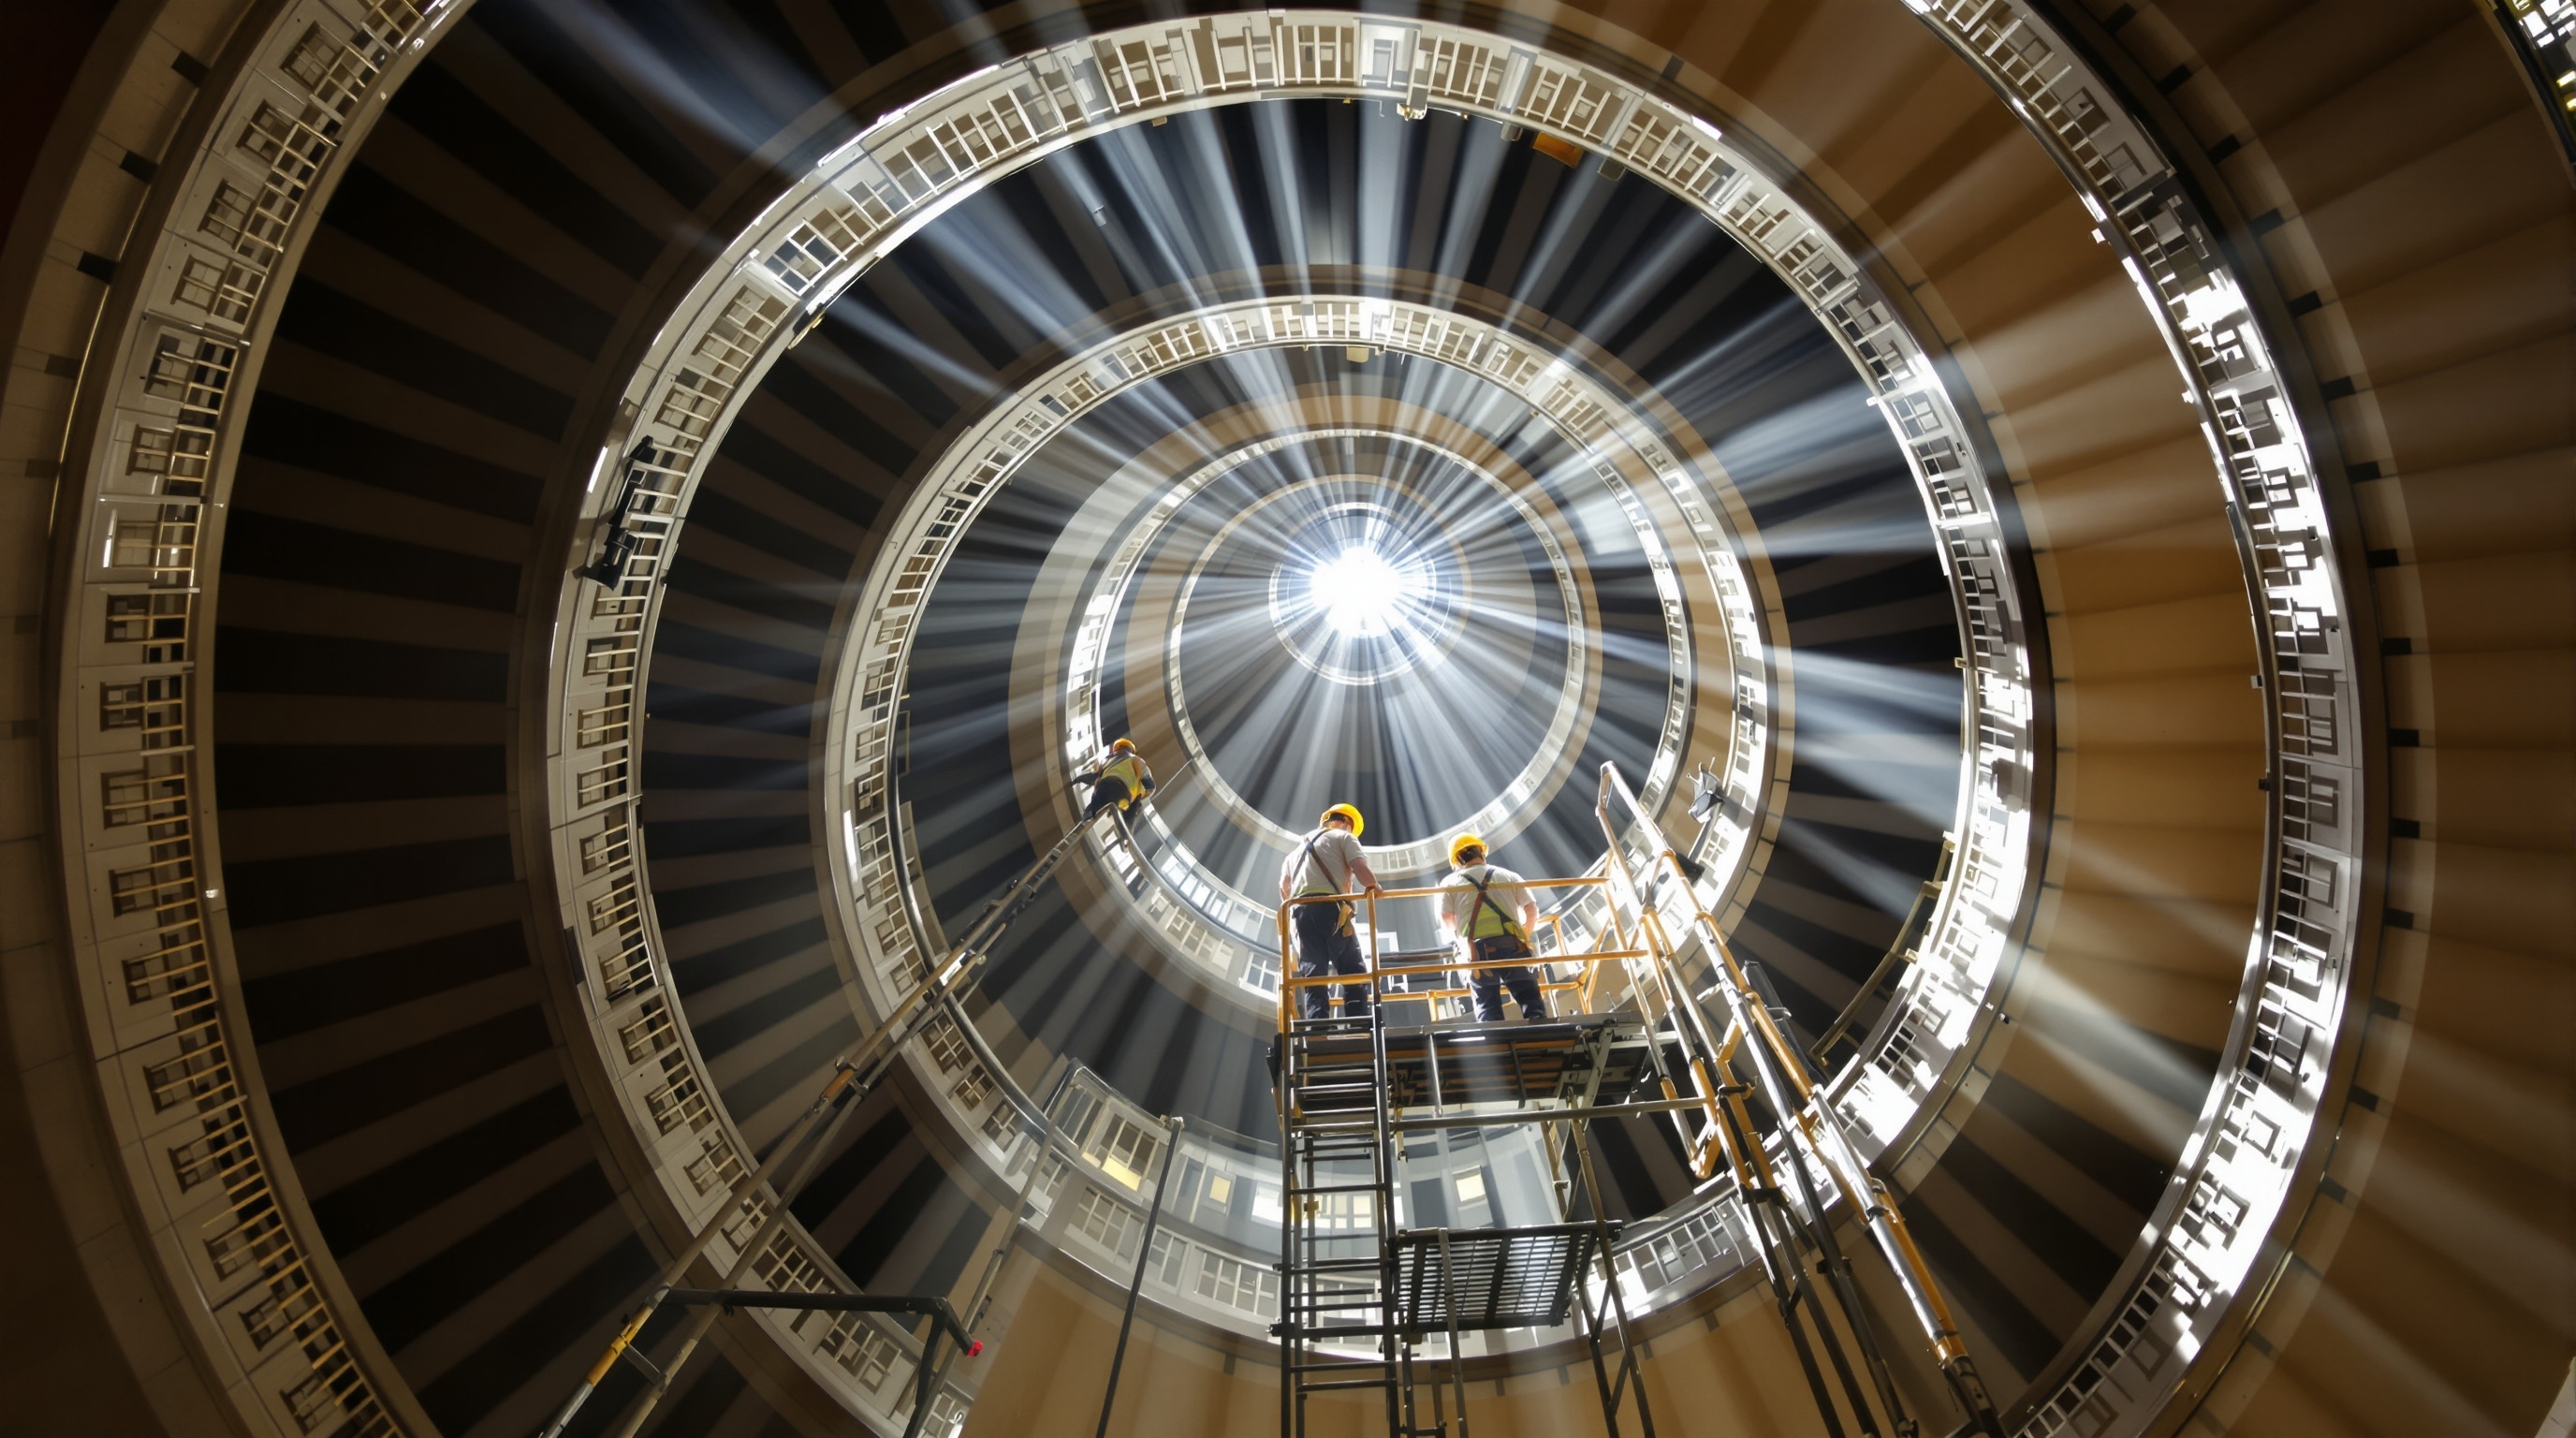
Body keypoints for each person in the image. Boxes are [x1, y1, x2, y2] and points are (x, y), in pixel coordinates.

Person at [1277, 802, 1381, 1022]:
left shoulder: (1295, 852)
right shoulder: (1344, 837)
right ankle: (1357, 1023)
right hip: (1333, 909)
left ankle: (1318, 1028)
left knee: (1313, 974)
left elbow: (1284, 887)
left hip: (1301, 913)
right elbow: (1359, 867)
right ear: (1347, 823)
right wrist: (1375, 887)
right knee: (1352, 968)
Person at [1438, 833, 1546, 1022]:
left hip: (1477, 952)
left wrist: (1461, 939)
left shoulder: (1449, 883)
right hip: (1513, 945)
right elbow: (1531, 909)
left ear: (1457, 860)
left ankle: (1495, 1037)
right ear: (1481, 852)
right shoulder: (1508, 875)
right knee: (1529, 997)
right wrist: (1524, 935)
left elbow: (1446, 917)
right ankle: (1539, 1029)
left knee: (1487, 1007)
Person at [1080, 738, 1154, 823]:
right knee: (1124, 816)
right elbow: (1150, 786)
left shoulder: (1106, 759)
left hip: (1104, 786)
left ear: (1116, 748)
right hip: (1122, 792)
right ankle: (1123, 825)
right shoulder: (1137, 760)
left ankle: (1084, 823)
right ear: (1131, 750)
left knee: (1093, 807)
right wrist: (1139, 797)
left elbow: (1096, 776)